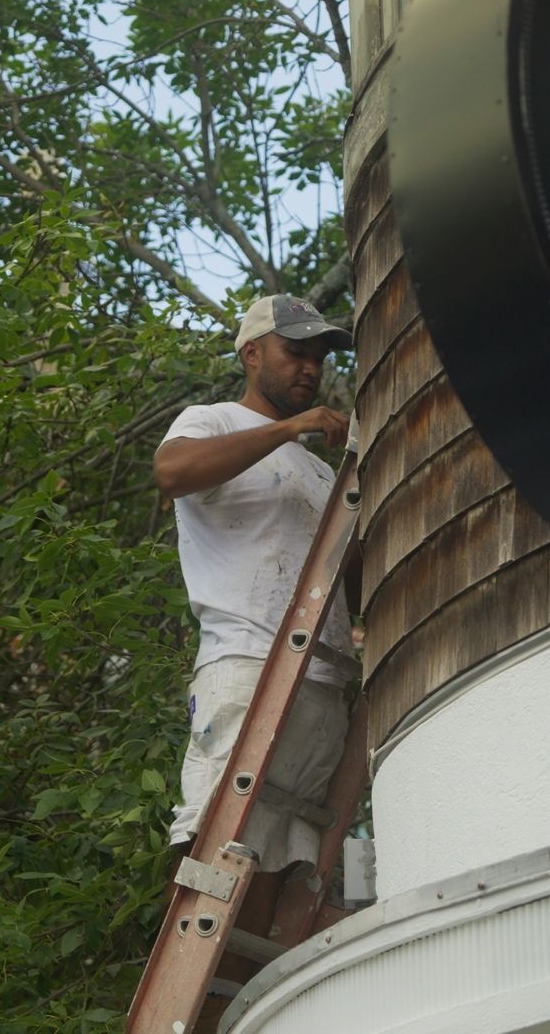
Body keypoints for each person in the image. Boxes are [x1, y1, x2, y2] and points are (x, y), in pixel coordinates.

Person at [152, 294, 356, 879]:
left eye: (319, 358)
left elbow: (350, 576)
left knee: (280, 864)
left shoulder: (320, 471)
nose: (310, 368)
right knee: (216, 850)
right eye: (295, 352)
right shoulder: (213, 420)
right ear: (251, 354)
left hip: (321, 685)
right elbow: (171, 472)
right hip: (248, 666)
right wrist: (291, 428)